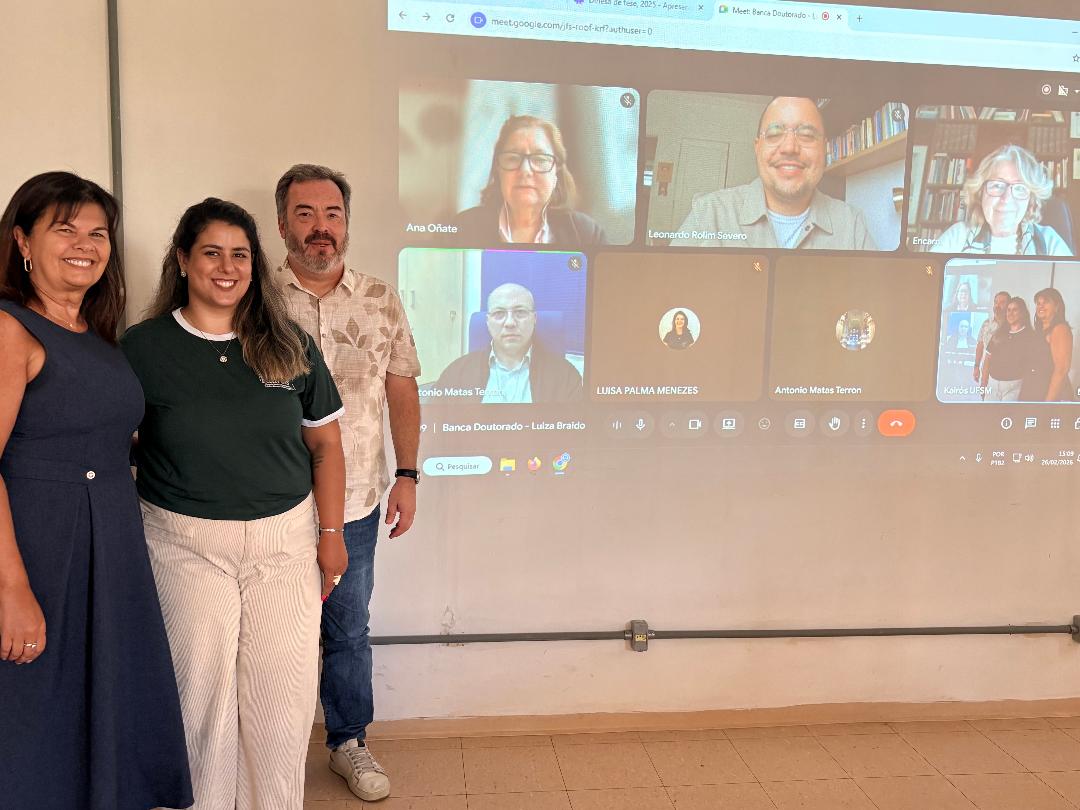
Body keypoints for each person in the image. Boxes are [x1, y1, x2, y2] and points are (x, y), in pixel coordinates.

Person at [121, 198, 347, 809]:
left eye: (240, 254)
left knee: (282, 702)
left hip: (285, 543)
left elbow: (325, 443)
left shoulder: (288, 343)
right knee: (202, 704)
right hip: (183, 545)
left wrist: (332, 536)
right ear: (183, 261)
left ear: (255, 263)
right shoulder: (141, 350)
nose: (227, 267)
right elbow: (117, 443)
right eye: (212, 253)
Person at [0, 172, 192, 809]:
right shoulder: (9, 330)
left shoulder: (100, 337)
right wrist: (12, 589)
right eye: (65, 229)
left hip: (110, 547)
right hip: (41, 551)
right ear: (23, 242)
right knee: (37, 720)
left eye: (98, 233)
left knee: (98, 711)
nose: (85, 244)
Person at [273, 164, 421, 803]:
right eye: (305, 214)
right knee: (272, 630)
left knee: (347, 630)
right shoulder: (254, 295)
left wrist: (409, 474)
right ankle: (265, 747)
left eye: (332, 215)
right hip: (269, 501)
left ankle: (347, 743)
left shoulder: (380, 296)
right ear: (282, 223)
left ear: (347, 224)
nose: (320, 228)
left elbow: (401, 389)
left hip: (358, 498)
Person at [670, 96, 877, 250]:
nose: (789, 147)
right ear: (757, 147)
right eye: (775, 134)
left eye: (806, 135)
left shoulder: (852, 225)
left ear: (825, 149)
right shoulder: (709, 213)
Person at [452, 115, 607, 247]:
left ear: (556, 173)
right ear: (498, 170)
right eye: (513, 158)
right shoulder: (463, 228)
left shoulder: (586, 234)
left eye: (539, 159)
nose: (525, 171)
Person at [435, 282, 584, 403]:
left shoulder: (566, 376)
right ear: (488, 322)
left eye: (520, 312)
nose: (510, 323)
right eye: (499, 313)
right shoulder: (455, 374)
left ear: (534, 319)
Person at [931, 144, 1072, 256]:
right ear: (980, 193)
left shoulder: (1049, 241)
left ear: (1030, 200)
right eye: (997, 185)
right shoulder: (958, 236)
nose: (1006, 199)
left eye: (1019, 188)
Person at [982, 296, 1039, 401]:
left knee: (1006, 416)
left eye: (1015, 310)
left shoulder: (1030, 336)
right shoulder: (998, 334)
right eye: (1008, 310)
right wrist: (983, 383)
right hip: (993, 385)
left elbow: (1033, 368)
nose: (1010, 313)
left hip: (1014, 387)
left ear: (1022, 313)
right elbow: (987, 359)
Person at [1024, 287, 1075, 401]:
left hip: (1051, 396)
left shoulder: (1060, 329)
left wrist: (1048, 404)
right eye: (1038, 303)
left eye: (1046, 302)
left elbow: (1061, 370)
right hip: (1035, 392)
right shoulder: (1038, 331)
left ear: (1057, 307)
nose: (1040, 306)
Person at [974, 290, 1010, 384]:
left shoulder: (1012, 325)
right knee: (984, 397)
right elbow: (980, 345)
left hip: (1004, 375)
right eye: (996, 302)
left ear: (1008, 305)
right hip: (985, 372)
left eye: (1002, 303)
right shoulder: (986, 323)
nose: (998, 305)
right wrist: (976, 366)